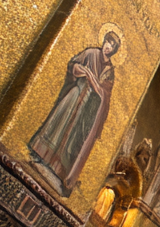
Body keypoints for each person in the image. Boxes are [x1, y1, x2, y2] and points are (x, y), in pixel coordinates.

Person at [30, 31, 120, 195]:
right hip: (75, 93)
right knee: (59, 122)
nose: (108, 47)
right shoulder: (91, 53)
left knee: (73, 137)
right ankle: (41, 155)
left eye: (112, 46)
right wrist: (79, 70)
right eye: (107, 42)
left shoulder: (110, 71)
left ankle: (58, 169)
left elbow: (104, 94)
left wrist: (94, 81)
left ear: (114, 50)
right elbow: (73, 65)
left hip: (88, 108)